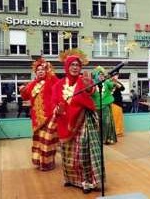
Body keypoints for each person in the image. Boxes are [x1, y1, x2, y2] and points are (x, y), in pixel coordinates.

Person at [51, 49, 103, 193]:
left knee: (83, 153)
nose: (75, 67)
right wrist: (57, 109)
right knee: (67, 153)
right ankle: (70, 179)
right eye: (72, 64)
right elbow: (54, 102)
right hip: (65, 121)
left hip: (83, 120)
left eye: (77, 65)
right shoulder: (58, 85)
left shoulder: (84, 80)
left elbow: (92, 92)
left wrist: (89, 86)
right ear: (67, 67)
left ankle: (87, 182)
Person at [19, 58, 59, 171]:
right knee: (39, 141)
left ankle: (47, 163)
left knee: (48, 140)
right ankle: (40, 161)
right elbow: (26, 96)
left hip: (50, 116)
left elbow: (57, 83)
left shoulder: (50, 80)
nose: (40, 71)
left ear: (46, 71)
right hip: (37, 118)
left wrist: (50, 70)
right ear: (35, 72)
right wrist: (22, 90)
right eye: (38, 70)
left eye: (42, 69)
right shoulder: (32, 84)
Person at [91, 66, 117, 144]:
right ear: (95, 75)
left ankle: (106, 139)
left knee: (106, 123)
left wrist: (114, 81)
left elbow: (113, 85)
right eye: (99, 74)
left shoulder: (106, 82)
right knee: (97, 124)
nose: (101, 76)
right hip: (95, 107)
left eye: (102, 74)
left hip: (105, 106)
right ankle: (97, 139)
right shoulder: (92, 83)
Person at [111, 72, 125, 136]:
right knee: (112, 119)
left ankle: (118, 132)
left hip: (117, 103)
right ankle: (112, 132)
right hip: (110, 103)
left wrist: (115, 82)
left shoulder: (117, 83)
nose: (116, 77)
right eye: (115, 75)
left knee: (118, 118)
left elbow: (122, 88)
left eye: (117, 76)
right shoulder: (108, 82)